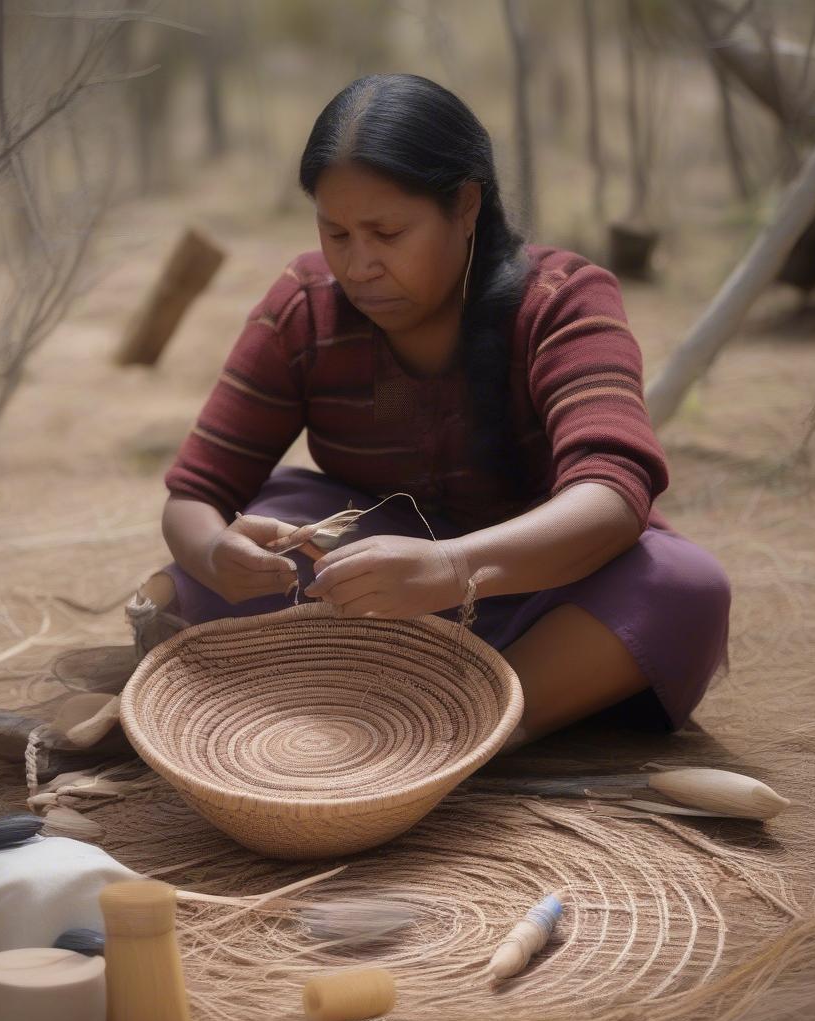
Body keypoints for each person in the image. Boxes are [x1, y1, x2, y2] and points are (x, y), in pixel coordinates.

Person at [131, 73, 730, 751]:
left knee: (683, 588)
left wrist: (451, 568)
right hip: (376, 595)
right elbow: (196, 494)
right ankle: (434, 712)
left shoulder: (563, 302)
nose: (359, 266)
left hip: (547, 591)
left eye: (387, 233)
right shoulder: (303, 308)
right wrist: (216, 553)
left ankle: (462, 724)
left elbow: (613, 495)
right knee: (215, 565)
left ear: (466, 205)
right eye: (337, 234)